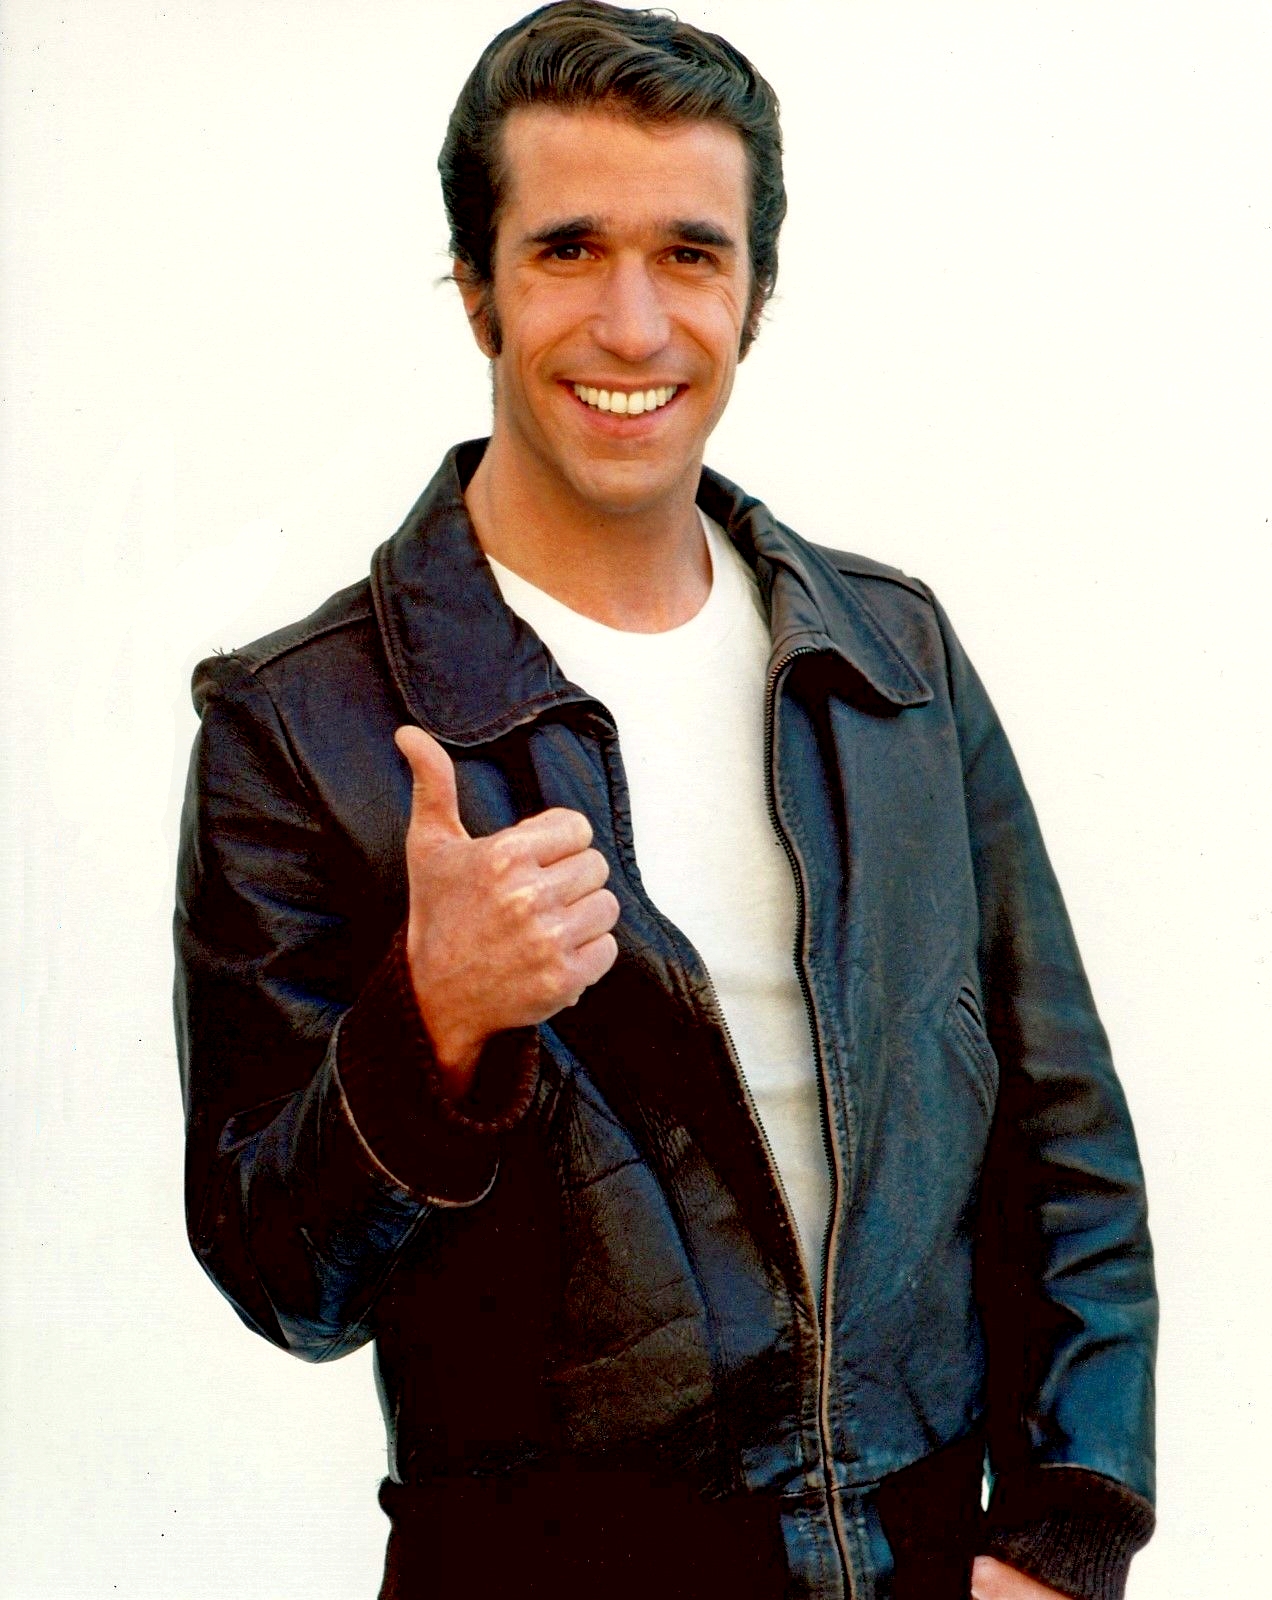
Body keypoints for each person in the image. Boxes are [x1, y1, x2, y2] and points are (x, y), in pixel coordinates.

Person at [173, 5, 1157, 1597]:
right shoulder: (301, 728)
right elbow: (278, 1277)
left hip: (917, 1557)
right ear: (476, 287)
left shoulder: (890, 659)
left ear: (752, 295)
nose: (631, 327)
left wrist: (1062, 1530)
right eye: (567, 249)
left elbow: (1061, 1134)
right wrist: (433, 1030)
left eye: (689, 255)